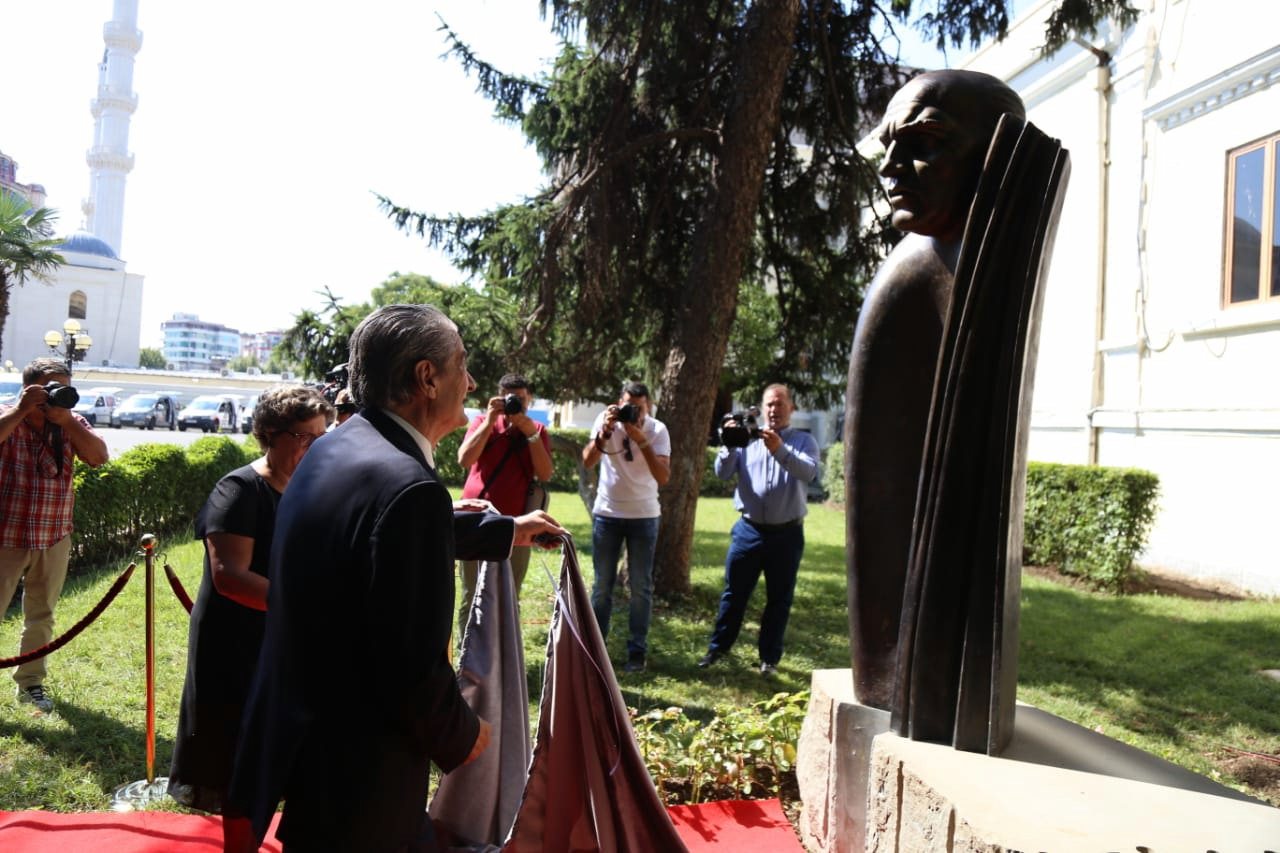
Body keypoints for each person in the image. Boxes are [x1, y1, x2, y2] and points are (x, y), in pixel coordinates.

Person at [227, 304, 565, 852]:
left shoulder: (338, 446)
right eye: (462, 364)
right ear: (427, 378)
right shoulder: (409, 485)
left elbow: (371, 533)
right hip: (365, 757)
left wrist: (504, 531)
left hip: (310, 732)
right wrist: (463, 732)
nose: (473, 381)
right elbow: (407, 659)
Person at [843, 70, 1026, 710]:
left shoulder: (978, 262)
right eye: (889, 143)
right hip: (907, 670)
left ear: (997, 153)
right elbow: (879, 502)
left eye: (923, 140)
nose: (891, 166)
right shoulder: (912, 275)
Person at [167, 387, 333, 824]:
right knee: (236, 765)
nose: (316, 447)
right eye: (304, 437)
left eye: (322, 436)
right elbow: (230, 578)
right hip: (237, 647)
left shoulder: (312, 488)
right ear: (270, 434)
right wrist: (309, 608)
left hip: (288, 641)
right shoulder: (239, 489)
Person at [0, 357, 108, 713]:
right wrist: (21, 409)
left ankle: (30, 684)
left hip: (54, 535)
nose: (57, 394)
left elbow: (98, 457)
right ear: (30, 386)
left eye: (64, 386)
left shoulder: (71, 422)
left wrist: (66, 423)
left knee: (41, 614)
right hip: (6, 535)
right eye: (50, 387)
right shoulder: (8, 415)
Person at [698, 384, 819, 677]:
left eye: (779, 404)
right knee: (734, 593)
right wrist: (728, 443)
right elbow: (722, 473)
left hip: (787, 534)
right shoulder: (747, 440)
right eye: (769, 405)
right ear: (762, 408)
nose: (774, 410)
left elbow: (808, 472)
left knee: (779, 598)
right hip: (748, 530)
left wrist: (779, 450)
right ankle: (718, 649)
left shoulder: (804, 441)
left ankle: (769, 659)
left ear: (791, 407)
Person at [581, 381, 670, 673]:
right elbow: (588, 461)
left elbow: (663, 476)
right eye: (628, 405)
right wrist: (605, 432)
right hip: (608, 513)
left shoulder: (657, 430)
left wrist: (640, 438)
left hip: (644, 516)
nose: (633, 411)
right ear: (619, 403)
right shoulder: (607, 422)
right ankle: (596, 650)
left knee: (641, 587)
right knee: (602, 587)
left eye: (639, 406)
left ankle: (636, 653)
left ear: (649, 406)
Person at [456, 373, 553, 630]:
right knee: (471, 594)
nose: (516, 405)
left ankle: (503, 662)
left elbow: (545, 474)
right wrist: (489, 421)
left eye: (520, 399)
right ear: (499, 398)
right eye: (511, 399)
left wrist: (530, 432)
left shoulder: (536, 430)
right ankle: (468, 666)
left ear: (529, 400)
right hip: (475, 520)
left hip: (517, 526)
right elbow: (464, 460)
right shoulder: (482, 422)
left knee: (509, 596)